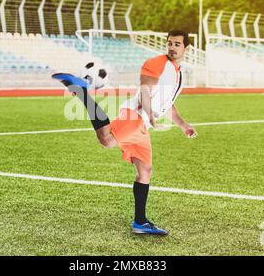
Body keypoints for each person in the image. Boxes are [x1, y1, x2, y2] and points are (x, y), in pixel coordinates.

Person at [52, 30, 197, 236]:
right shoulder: (157, 63)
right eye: (170, 43)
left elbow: (168, 104)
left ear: (186, 48)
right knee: (107, 140)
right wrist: (150, 114)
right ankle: (80, 90)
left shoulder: (179, 74)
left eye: (177, 44)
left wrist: (184, 125)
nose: (172, 47)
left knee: (145, 171)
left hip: (144, 125)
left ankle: (140, 222)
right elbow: (145, 90)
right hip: (136, 115)